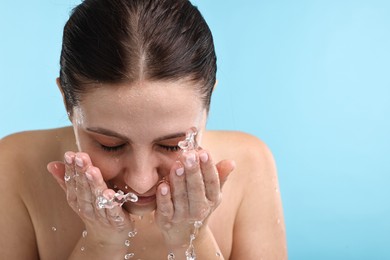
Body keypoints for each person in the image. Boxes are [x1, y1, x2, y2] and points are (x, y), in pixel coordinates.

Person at [0, 0, 287, 259]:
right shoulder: (14, 165)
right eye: (109, 144)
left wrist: (192, 238)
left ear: (207, 107)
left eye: (172, 145)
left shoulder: (250, 164)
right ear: (66, 100)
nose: (140, 181)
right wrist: (102, 242)